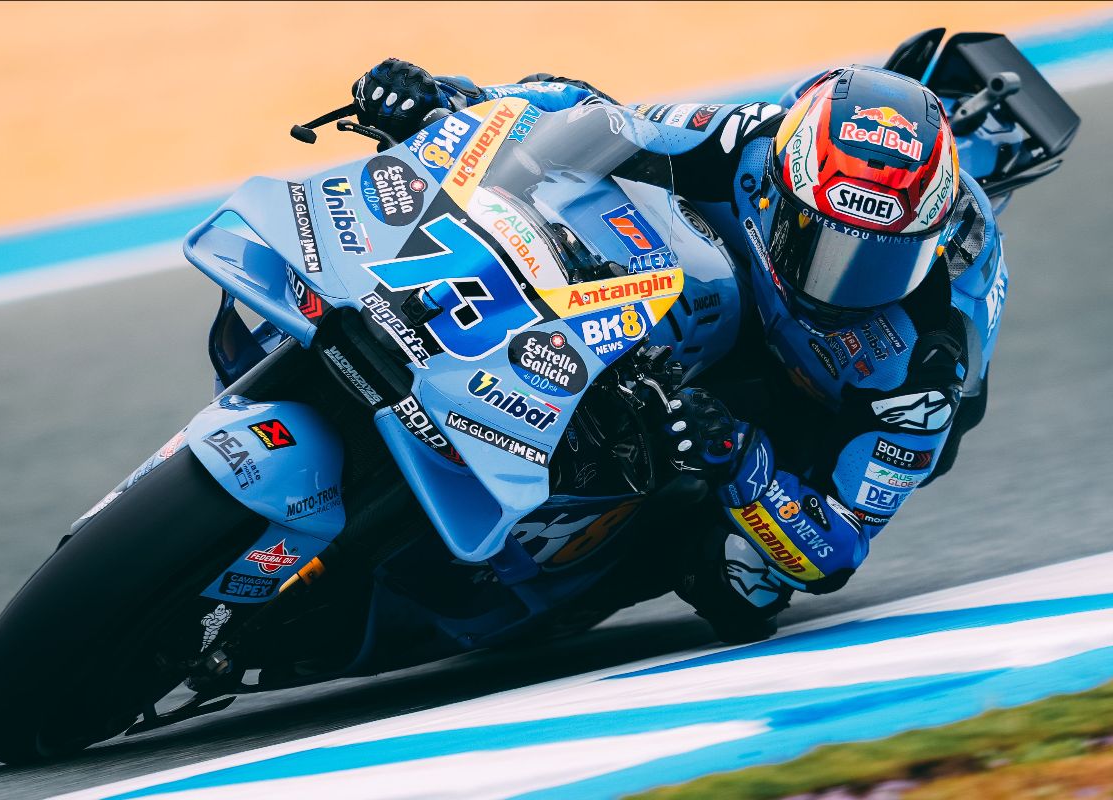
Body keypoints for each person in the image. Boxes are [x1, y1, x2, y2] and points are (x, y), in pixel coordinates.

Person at [350, 58, 1003, 643]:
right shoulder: (749, 143)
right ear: (780, 187)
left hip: (812, 418)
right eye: (828, 244)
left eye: (883, 261)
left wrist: (739, 456)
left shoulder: (924, 365)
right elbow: (587, 114)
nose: (847, 283)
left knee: (741, 583)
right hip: (722, 302)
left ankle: (564, 582)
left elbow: (837, 551)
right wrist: (453, 100)